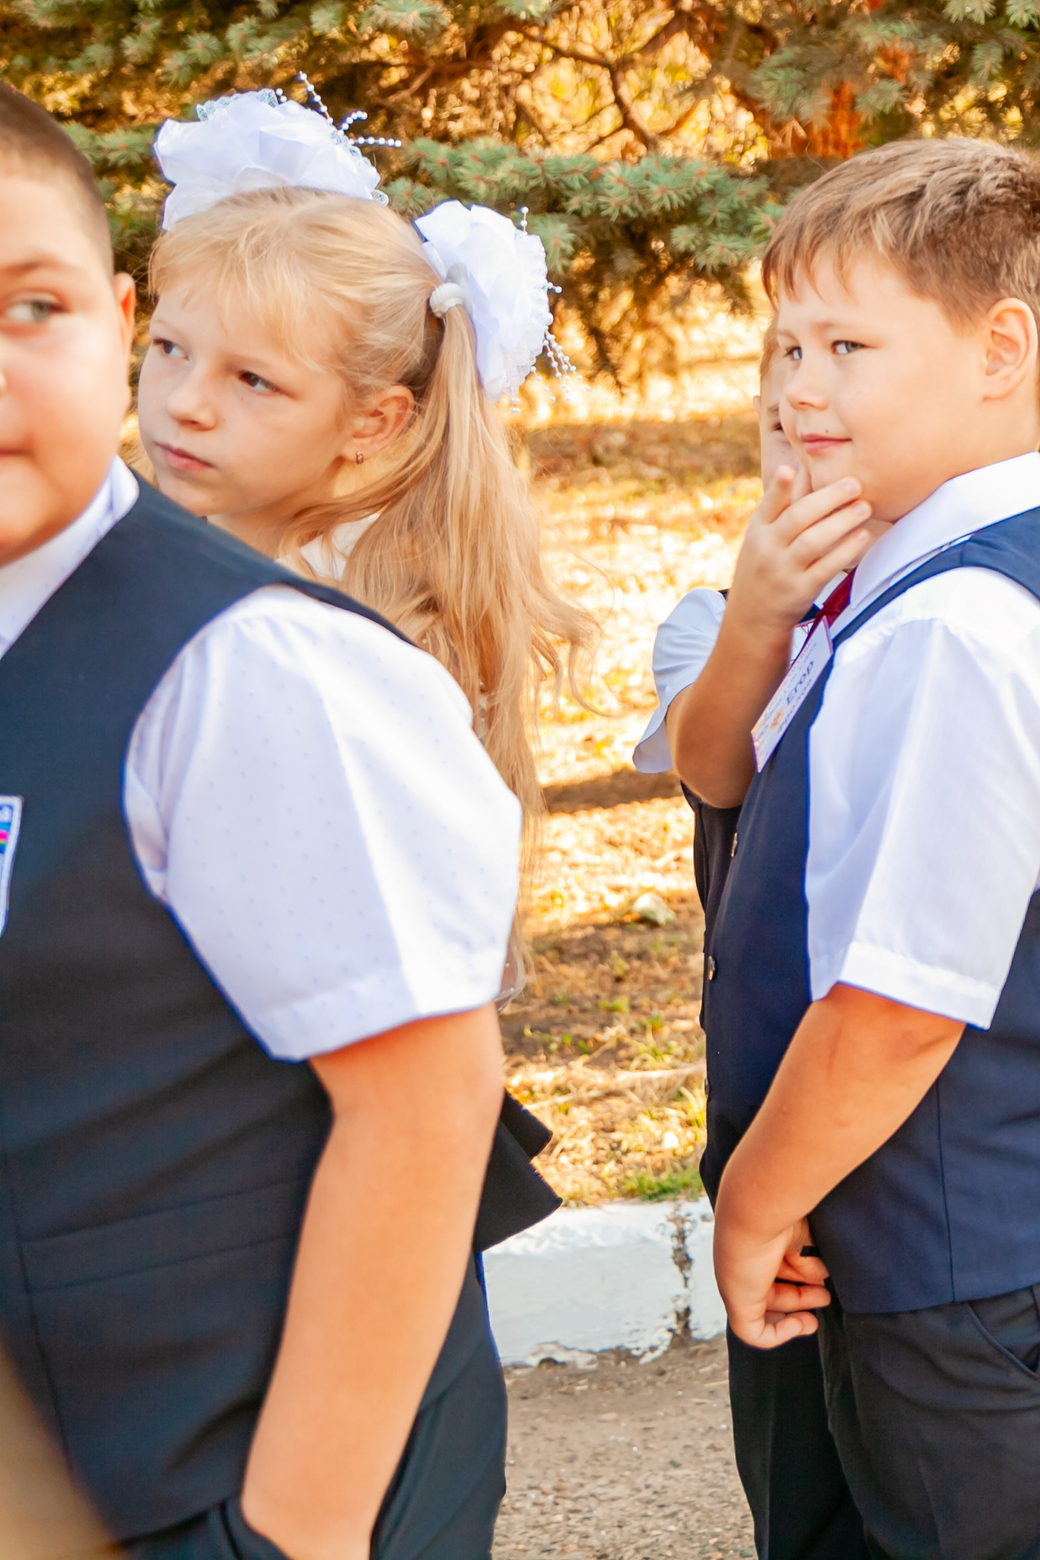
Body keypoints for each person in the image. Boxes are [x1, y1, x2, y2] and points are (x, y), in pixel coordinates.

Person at [0, 86, 522, 1555]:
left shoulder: (259, 665)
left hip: (206, 1477)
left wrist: (288, 1533)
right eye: (177, 355)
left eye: (33, 306)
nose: (185, 404)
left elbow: (423, 1101)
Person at [705, 138, 1040, 1560]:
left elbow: (900, 1005)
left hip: (978, 1272)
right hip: (909, 1245)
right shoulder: (889, 578)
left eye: (847, 346)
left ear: (1000, 350)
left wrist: (750, 1203)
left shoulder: (957, 630)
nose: (797, 387)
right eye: (787, 344)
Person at [136, 91, 595, 910]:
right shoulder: (170, 556)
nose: (186, 402)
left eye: (253, 379)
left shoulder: (343, 646)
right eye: (170, 346)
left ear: (371, 421)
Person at [637, 336, 873, 1560]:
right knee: (799, 1455)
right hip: (774, 1095)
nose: (805, 447)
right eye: (781, 428)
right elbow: (713, 762)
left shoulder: (952, 612)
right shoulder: (712, 624)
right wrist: (766, 606)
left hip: (906, 1093)